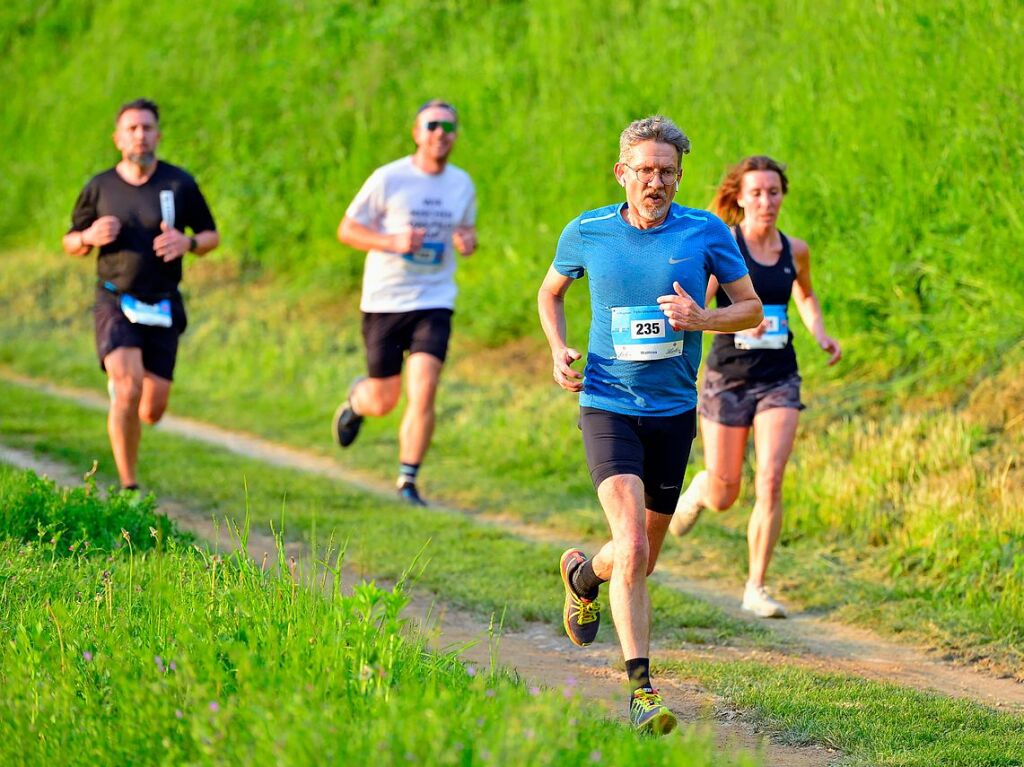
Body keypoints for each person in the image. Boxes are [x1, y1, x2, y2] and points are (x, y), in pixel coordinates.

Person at [538, 116, 762, 734]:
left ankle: (582, 575)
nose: (655, 181)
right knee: (632, 544)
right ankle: (642, 692)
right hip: (608, 405)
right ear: (622, 173)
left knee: (643, 558)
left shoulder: (706, 231)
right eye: (644, 170)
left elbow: (749, 311)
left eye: (666, 171)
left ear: (679, 175)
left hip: (672, 413)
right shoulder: (588, 231)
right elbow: (549, 293)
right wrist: (558, 349)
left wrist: (699, 319)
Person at [669, 156, 841, 619]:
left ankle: (756, 586)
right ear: (740, 198)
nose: (766, 200)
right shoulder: (726, 247)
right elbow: (700, 304)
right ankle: (702, 490)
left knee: (770, 479)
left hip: (778, 378)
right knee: (727, 493)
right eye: (757, 192)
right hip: (727, 379)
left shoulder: (795, 249)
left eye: (774, 191)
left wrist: (820, 331)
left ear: (782, 195)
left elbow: (804, 293)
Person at [62, 98, 219, 492]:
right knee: (128, 389)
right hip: (116, 298)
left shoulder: (179, 183)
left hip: (164, 301)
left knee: (151, 409)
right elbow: (70, 240)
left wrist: (188, 243)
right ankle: (129, 487)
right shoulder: (100, 187)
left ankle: (126, 393)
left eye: (147, 128)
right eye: (132, 128)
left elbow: (210, 235)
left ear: (158, 135)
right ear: (118, 138)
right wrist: (87, 237)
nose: (140, 135)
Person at [332, 100, 477, 507]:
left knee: (425, 388)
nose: (440, 133)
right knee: (384, 399)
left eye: (449, 126)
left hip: (434, 299)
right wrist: (391, 242)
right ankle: (357, 401)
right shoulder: (389, 178)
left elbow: (466, 230)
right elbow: (347, 229)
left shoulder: (461, 184)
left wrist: (467, 241)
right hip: (385, 299)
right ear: (416, 132)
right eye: (432, 125)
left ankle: (407, 481)